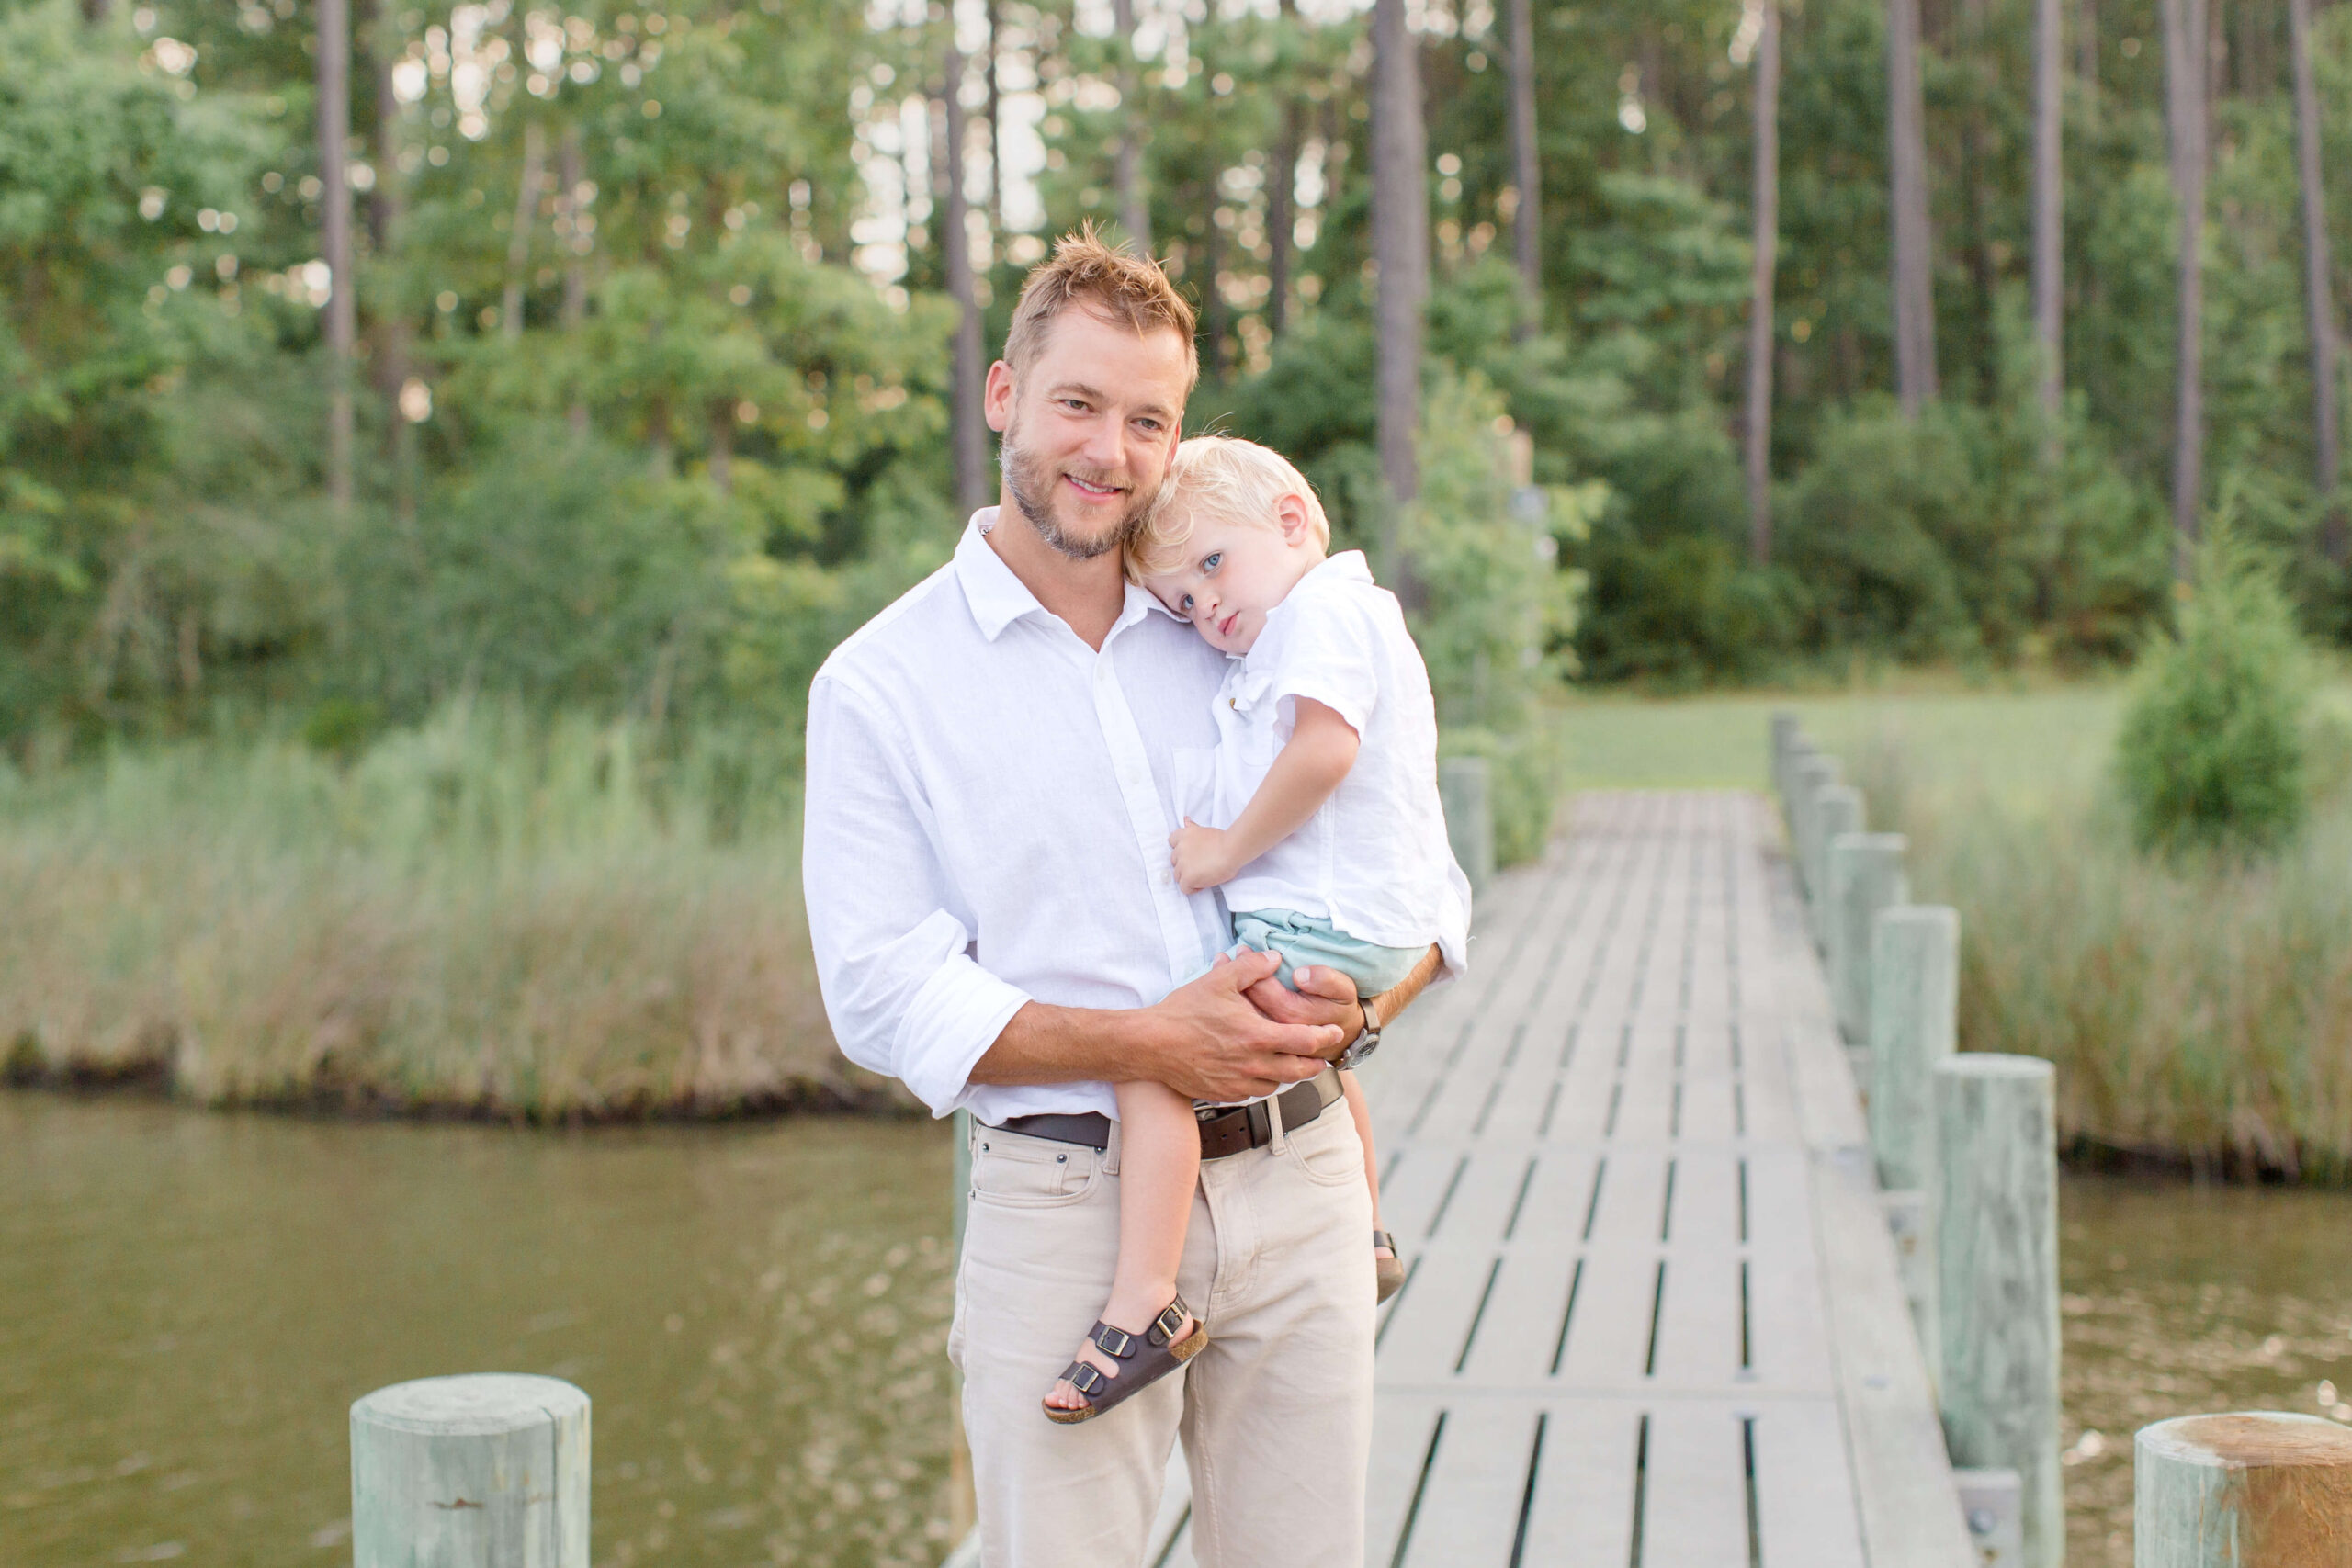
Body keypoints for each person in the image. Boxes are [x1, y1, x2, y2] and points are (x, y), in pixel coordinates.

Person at [801, 229, 1464, 1568]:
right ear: (1003, 396)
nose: (1110, 449)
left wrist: (1362, 1002)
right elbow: (880, 991)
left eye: (1148, 419)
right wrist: (1147, 1043)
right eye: (1079, 405)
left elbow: (1414, 863)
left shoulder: (1238, 622)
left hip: (1305, 1173)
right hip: (1067, 1209)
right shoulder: (883, 682)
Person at [1039, 436, 1464, 1423]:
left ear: (1288, 523)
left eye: (1213, 566)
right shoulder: (1342, 617)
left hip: (1330, 922)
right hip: (1371, 924)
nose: (1206, 610)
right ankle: (1363, 1231)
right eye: (1182, 601)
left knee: (1153, 1053)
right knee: (1318, 1058)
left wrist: (1224, 852)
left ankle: (1143, 1301)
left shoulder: (1319, 612)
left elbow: (1324, 753)